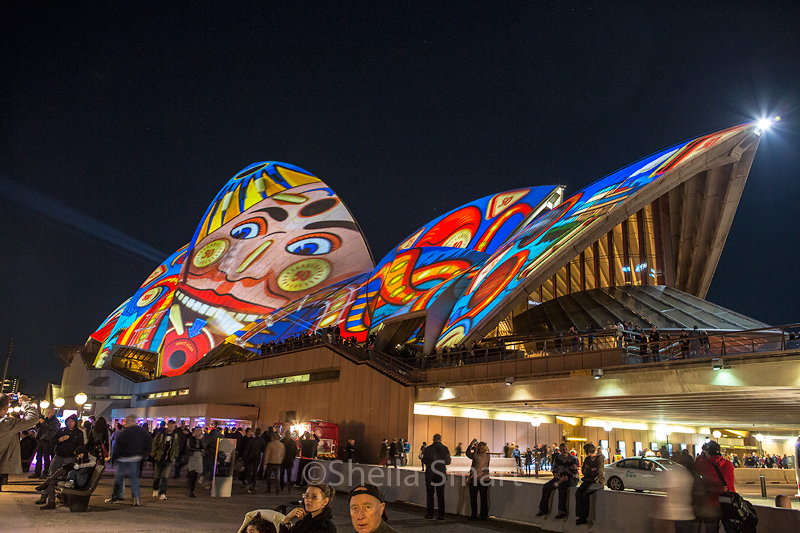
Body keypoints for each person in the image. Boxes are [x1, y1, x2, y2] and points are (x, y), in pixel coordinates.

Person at [106, 414, 153, 505]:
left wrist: (114, 457)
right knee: (134, 478)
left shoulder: (124, 432)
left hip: (123, 457)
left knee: (119, 477)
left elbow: (118, 446)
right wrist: (143, 453)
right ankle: (136, 497)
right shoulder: (142, 431)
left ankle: (115, 497)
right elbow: (149, 442)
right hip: (135, 457)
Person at [693, 440, 735, 532]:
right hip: (728, 503)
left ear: (707, 452)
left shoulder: (703, 464)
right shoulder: (729, 464)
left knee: (711, 530)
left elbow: (694, 468)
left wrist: (701, 456)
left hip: (712, 504)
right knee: (731, 530)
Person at [37, 445, 96, 509]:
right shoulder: (80, 459)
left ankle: (45, 483)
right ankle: (51, 503)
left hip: (79, 480)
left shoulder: (90, 459)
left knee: (68, 469)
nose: (79, 456)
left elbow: (91, 465)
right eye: (78, 455)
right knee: (52, 482)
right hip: (73, 478)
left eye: (80, 454)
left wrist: (78, 467)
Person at [0, 394, 38, 491]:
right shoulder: (6, 423)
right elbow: (33, 418)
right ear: (5, 407)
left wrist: (3, 397)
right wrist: (25, 403)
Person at [536, 443, 579, 519]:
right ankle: (543, 509)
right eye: (563, 449)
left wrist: (561, 479)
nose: (565, 451)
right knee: (546, 487)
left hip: (571, 478)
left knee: (562, 488)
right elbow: (554, 470)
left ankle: (562, 511)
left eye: (566, 449)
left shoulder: (573, 459)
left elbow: (573, 472)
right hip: (560, 477)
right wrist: (558, 477)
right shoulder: (557, 458)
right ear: (560, 450)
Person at [422, 433, 451, 520]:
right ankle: (441, 514)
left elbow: (424, 460)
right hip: (441, 473)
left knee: (430, 494)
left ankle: (430, 514)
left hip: (430, 474)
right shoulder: (445, 449)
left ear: (433, 439)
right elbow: (448, 462)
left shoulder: (428, 449)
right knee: (440, 494)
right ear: (441, 439)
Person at [574, 443, 604, 525]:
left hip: (597, 482)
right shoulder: (587, 459)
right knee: (578, 493)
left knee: (585, 493)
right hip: (588, 480)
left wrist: (589, 470)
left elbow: (598, 472)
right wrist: (592, 470)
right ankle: (580, 516)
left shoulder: (599, 458)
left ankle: (585, 517)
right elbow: (584, 471)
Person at [150, 419, 179, 499]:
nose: (172, 428)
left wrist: (174, 456)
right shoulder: (161, 434)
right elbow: (155, 444)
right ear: (168, 426)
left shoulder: (175, 436)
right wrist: (154, 454)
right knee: (157, 476)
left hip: (168, 459)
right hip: (160, 457)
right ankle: (155, 488)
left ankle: (163, 492)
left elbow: (176, 447)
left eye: (173, 427)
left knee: (166, 477)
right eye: (171, 426)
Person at [29, 407, 60, 479]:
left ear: (53, 413)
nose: (48, 414)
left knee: (46, 457)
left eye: (49, 412)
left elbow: (53, 428)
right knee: (38, 457)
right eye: (47, 412)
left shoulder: (55, 421)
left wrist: (44, 423)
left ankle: (45, 473)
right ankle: (37, 472)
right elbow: (38, 426)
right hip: (40, 439)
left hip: (47, 440)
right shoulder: (46, 419)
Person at [466, 440, 490, 520]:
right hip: (485, 479)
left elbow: (467, 453)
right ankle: (483, 515)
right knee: (484, 498)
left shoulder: (475, 455)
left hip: (475, 480)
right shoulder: (488, 456)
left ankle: (474, 515)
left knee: (473, 498)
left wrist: (471, 445)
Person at [241, 428, 265, 493]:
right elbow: (263, 449)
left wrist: (244, 458)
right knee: (255, 472)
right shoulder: (262, 441)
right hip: (257, 458)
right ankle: (253, 485)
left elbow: (247, 450)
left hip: (250, 458)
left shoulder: (251, 440)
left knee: (249, 472)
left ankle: (249, 483)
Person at [185, 426, 205, 497]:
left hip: (199, 457)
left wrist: (201, 441)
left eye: (200, 431)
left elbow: (204, 446)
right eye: (197, 430)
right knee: (192, 473)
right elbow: (189, 447)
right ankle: (191, 490)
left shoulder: (202, 439)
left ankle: (192, 489)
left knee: (195, 474)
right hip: (192, 456)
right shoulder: (191, 438)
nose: (199, 432)